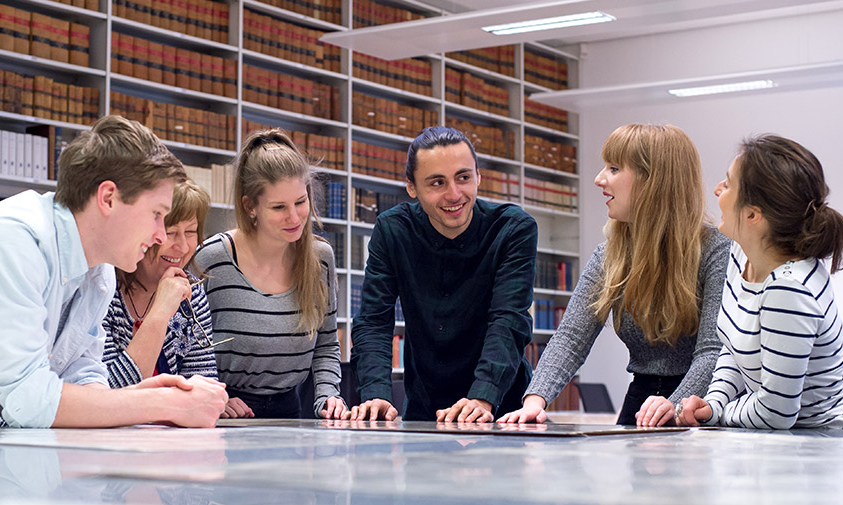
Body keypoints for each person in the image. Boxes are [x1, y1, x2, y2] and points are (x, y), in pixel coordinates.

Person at [0, 115, 228, 428]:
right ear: (108, 198)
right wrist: (155, 403)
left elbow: (83, 372)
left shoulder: (99, 270)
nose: (161, 236)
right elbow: (28, 398)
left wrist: (132, 399)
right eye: (156, 215)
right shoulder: (10, 241)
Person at [497, 123, 731, 427]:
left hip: (697, 409)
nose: (599, 179)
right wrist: (534, 400)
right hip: (641, 404)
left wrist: (674, 406)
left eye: (615, 168)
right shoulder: (609, 254)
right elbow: (571, 338)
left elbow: (713, 351)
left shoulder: (716, 250)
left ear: (653, 181)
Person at [348, 126, 538, 423]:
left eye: (463, 178)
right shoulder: (392, 229)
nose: (454, 194)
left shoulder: (514, 229)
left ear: (478, 177)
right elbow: (373, 321)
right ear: (411, 187)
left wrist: (482, 396)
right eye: (437, 182)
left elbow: (509, 319)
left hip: (503, 410)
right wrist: (376, 393)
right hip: (425, 409)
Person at [676, 135, 843, 429]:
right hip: (773, 438)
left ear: (753, 214)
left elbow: (776, 413)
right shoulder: (741, 253)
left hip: (817, 445)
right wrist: (713, 401)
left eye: (727, 185)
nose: (716, 190)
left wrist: (719, 414)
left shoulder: (789, 289)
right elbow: (734, 346)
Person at [194, 128, 347, 420]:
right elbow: (184, 348)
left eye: (301, 202)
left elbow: (326, 344)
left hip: (292, 410)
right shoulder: (212, 259)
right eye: (279, 207)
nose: (294, 217)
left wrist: (328, 396)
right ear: (250, 206)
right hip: (224, 412)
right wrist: (211, 394)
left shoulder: (320, 259)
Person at [102, 178, 222, 387]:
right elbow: (106, 392)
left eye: (191, 232)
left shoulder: (191, 292)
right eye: (171, 232)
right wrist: (161, 310)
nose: (183, 247)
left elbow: (204, 388)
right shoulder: (103, 288)